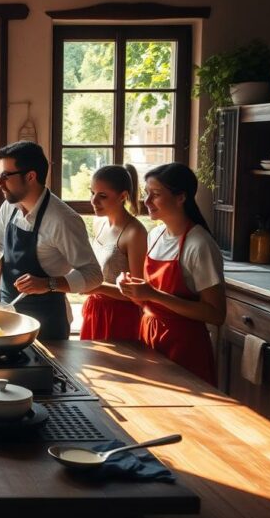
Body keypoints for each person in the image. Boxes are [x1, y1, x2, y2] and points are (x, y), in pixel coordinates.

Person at [0, 142, 103, 340]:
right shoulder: (10, 206)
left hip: (47, 325)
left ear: (31, 176)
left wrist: (48, 284)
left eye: (5, 175)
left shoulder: (63, 219)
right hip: (7, 315)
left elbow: (93, 274)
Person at [118, 163, 226, 385]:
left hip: (185, 346)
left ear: (181, 198)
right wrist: (130, 287)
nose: (146, 201)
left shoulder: (199, 244)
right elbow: (150, 295)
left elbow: (216, 314)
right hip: (150, 337)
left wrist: (153, 294)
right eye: (146, 193)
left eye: (155, 194)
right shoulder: (156, 234)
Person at [80, 164, 147, 341]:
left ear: (123, 196)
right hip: (94, 309)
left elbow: (138, 294)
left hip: (120, 316)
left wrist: (97, 287)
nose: (93, 201)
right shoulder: (98, 223)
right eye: (92, 193)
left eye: (102, 196)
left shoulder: (135, 233)